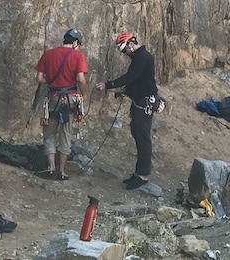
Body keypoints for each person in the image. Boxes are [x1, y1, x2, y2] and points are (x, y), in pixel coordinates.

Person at [96, 32, 160, 190]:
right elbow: (137, 81)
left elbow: (130, 77)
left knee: (143, 138)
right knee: (138, 134)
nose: (125, 54)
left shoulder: (143, 58)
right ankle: (139, 172)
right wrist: (125, 92)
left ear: (131, 44)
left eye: (124, 50)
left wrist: (108, 84)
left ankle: (143, 175)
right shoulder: (140, 57)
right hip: (140, 100)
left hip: (144, 103)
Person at [34, 29, 88, 180]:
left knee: (49, 134)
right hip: (70, 99)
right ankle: (62, 171)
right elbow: (80, 78)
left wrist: (52, 81)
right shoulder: (78, 55)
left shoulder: (48, 54)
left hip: (53, 98)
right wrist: (83, 94)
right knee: (66, 135)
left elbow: (39, 78)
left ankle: (50, 167)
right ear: (75, 42)